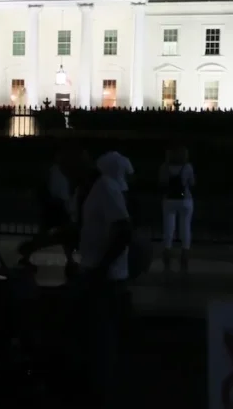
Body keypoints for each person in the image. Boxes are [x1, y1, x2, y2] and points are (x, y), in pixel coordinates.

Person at [73, 153, 133, 409]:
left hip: (105, 279)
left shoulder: (104, 189)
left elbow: (123, 231)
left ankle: (102, 394)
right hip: (103, 275)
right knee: (99, 340)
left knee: (102, 340)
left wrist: (100, 269)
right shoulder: (100, 189)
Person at [19, 150, 78, 275]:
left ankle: (27, 253)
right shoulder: (57, 172)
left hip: (54, 207)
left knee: (57, 235)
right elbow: (60, 192)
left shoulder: (52, 172)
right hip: (57, 207)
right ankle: (69, 260)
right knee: (64, 235)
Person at [159, 145, 195, 274]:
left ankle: (167, 252)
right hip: (185, 200)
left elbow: (162, 182)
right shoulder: (188, 167)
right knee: (185, 227)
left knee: (169, 227)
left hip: (169, 199)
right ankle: (185, 253)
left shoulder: (164, 167)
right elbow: (192, 183)